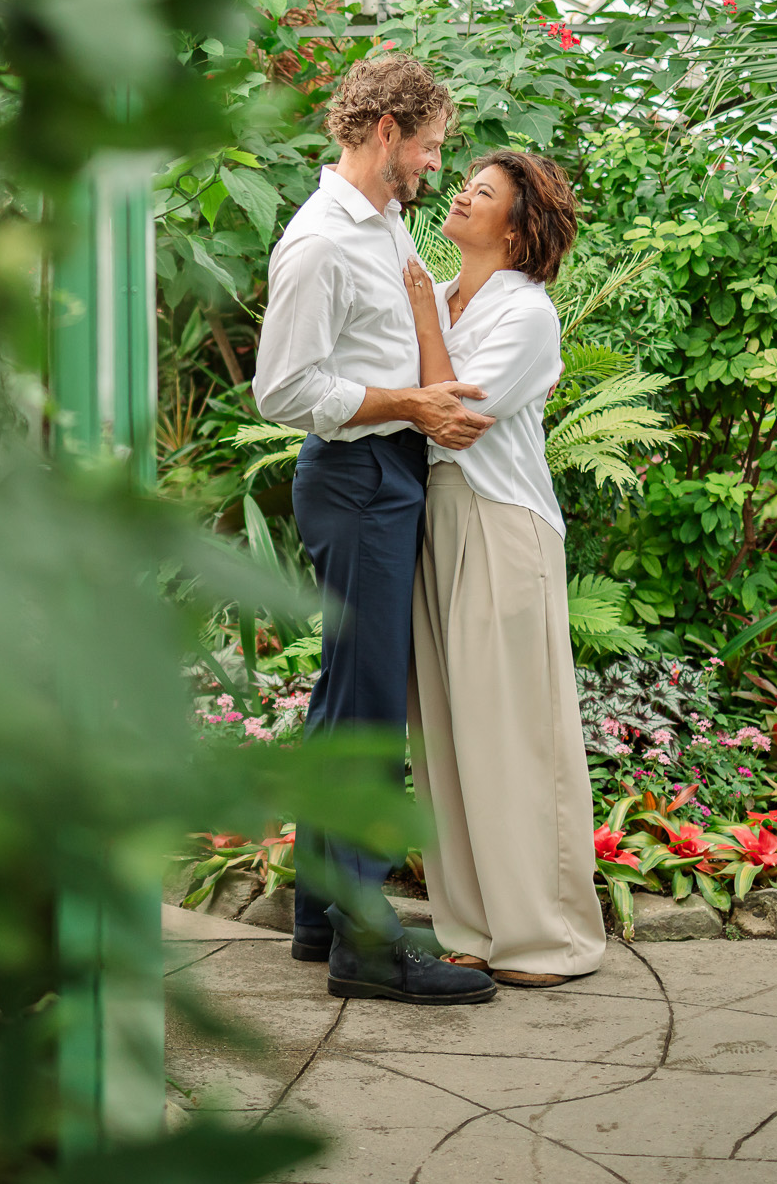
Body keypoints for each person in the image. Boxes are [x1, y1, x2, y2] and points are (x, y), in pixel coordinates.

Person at [252, 55, 499, 1006]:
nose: (437, 169)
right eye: (431, 148)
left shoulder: (382, 220)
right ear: (388, 131)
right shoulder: (320, 243)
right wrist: (413, 403)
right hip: (357, 477)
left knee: (344, 697)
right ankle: (365, 942)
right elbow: (283, 390)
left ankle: (323, 914)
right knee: (363, 717)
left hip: (383, 469)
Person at [401, 149, 607, 988]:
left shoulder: (527, 314)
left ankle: (545, 940)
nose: (460, 195)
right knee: (449, 736)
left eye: (480, 193)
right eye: (463, 184)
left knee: (516, 735)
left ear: (516, 230)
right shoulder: (446, 296)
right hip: (434, 523)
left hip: (499, 522)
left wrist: (419, 321)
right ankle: (472, 928)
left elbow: (456, 419)